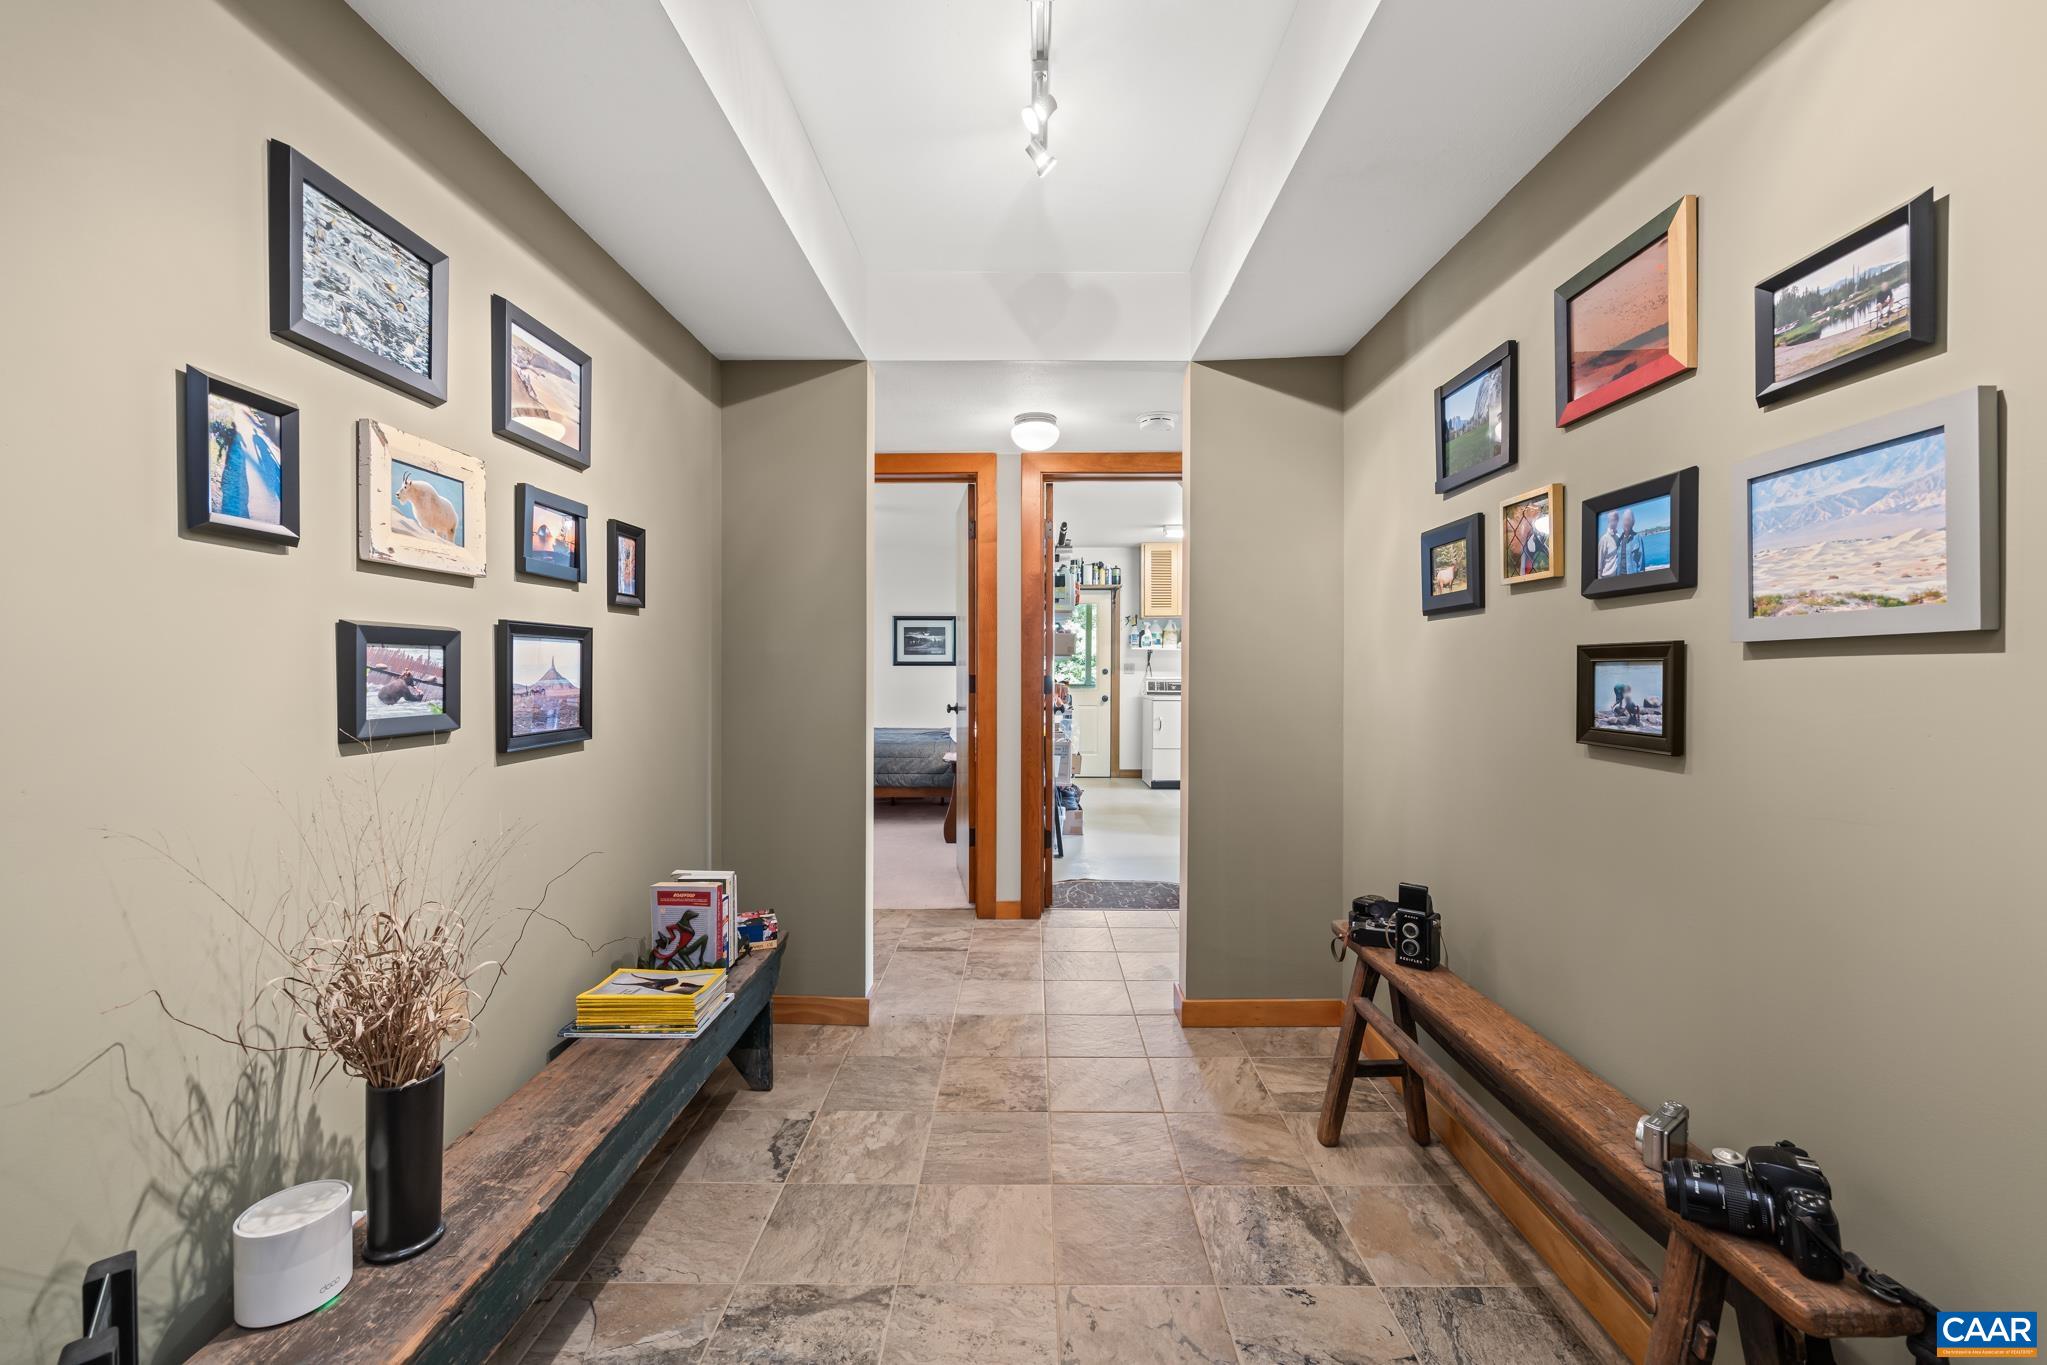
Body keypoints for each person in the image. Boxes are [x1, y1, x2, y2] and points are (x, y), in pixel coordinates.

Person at [1618, 507, 1644, 575]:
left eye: (1628, 520)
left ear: (1632, 522)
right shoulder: (1619, 540)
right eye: (1624, 520)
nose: (1626, 522)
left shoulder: (1638, 538)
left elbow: (1641, 565)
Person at [1597, 510, 1622, 578]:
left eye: (1616, 519)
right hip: (1606, 578)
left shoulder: (1618, 537)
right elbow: (1599, 562)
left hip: (1617, 577)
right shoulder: (1604, 539)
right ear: (1608, 521)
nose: (1614, 522)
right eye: (1612, 519)